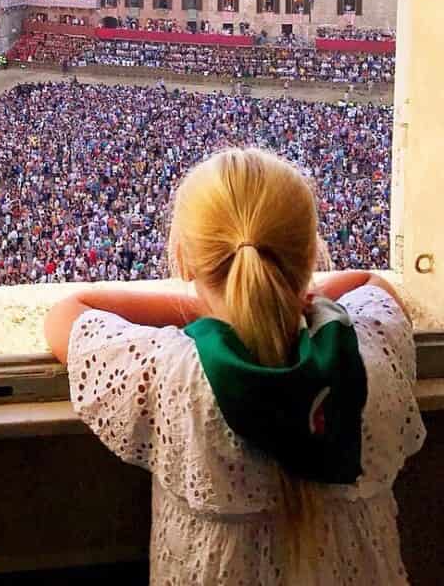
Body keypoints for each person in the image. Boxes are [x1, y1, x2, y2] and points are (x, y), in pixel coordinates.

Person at [45, 148, 423, 586]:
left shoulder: (171, 373)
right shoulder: (371, 348)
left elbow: (70, 314)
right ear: (310, 252)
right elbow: (369, 283)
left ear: (185, 260)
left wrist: (211, 310)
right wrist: (287, 296)